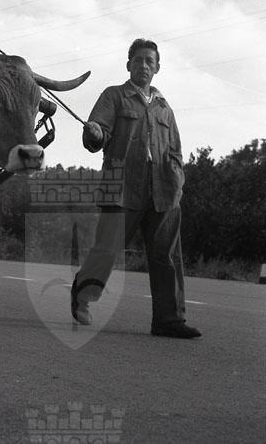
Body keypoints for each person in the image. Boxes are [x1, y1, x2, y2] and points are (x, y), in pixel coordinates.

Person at [71, 38, 201, 339]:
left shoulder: (164, 107)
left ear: (157, 67)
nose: (143, 65)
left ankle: (169, 320)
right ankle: (82, 295)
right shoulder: (114, 96)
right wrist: (95, 134)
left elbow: (176, 150)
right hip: (121, 185)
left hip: (164, 190)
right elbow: (97, 135)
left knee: (167, 256)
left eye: (149, 61)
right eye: (138, 60)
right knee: (107, 250)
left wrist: (177, 181)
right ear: (128, 65)